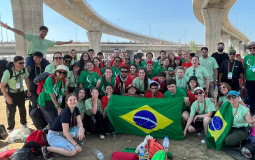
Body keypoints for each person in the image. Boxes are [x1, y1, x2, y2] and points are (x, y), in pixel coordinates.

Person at [0, 22, 73, 69]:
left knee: (49, 67)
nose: (44, 33)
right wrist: (8, 27)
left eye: (45, 32)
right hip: (31, 57)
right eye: (42, 31)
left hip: (41, 58)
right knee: (28, 69)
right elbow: (21, 33)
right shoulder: (33, 37)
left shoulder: (47, 42)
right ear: (39, 31)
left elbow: (57, 42)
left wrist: (67, 42)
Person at [41, 94, 85, 159]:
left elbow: (79, 122)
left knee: (81, 129)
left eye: (74, 99)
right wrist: (76, 145)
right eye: (70, 100)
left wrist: (81, 129)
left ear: (77, 101)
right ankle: (47, 149)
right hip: (54, 136)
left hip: (62, 133)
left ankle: (66, 144)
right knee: (73, 151)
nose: (73, 101)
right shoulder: (65, 113)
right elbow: (66, 133)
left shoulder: (76, 109)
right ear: (67, 102)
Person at [1, 56, 31, 132]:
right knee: (11, 111)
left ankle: (24, 124)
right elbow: (2, 86)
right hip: (10, 93)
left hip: (20, 92)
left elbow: (26, 79)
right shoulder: (8, 72)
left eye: (23, 63)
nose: (22, 64)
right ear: (14, 63)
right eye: (20, 63)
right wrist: (7, 97)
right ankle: (10, 128)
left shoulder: (24, 70)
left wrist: (29, 90)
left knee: (22, 109)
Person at [243, 41, 255, 114]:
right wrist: (244, 80)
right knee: (251, 95)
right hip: (249, 80)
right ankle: (252, 111)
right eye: (251, 48)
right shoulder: (246, 57)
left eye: (254, 47)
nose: (252, 49)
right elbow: (244, 69)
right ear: (249, 49)